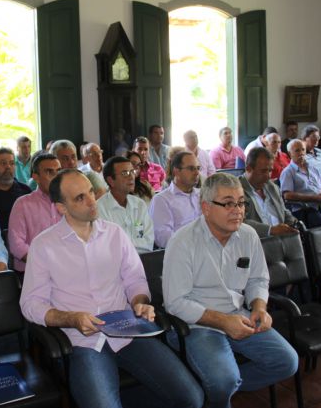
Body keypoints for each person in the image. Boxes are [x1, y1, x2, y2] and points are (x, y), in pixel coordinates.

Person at [20, 169, 204, 408]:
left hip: (127, 330)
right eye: (80, 198)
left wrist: (139, 302)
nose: (92, 201)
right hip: (83, 340)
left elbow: (135, 280)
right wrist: (70, 318)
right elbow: (31, 304)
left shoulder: (114, 233)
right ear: (61, 208)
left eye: (91, 192)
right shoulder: (44, 245)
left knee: (192, 398)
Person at [163, 173, 298, 408]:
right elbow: (176, 303)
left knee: (287, 362)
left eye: (241, 203)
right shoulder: (182, 242)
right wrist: (224, 322)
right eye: (228, 204)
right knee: (224, 380)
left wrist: (259, 307)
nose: (237, 211)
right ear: (206, 208)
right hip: (196, 324)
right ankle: (220, 387)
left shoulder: (248, 234)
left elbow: (258, 279)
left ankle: (213, 389)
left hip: (238, 315)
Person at [8, 153, 62, 273]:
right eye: (49, 172)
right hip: (32, 271)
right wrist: (46, 263)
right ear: (35, 177)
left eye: (58, 171)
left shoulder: (68, 202)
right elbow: (16, 245)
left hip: (65, 268)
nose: (56, 177)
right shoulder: (23, 204)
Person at [98, 156, 154, 252]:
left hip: (143, 259)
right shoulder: (100, 208)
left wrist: (123, 244)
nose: (131, 177)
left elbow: (149, 242)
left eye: (132, 171)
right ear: (111, 180)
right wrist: (137, 244)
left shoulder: (139, 204)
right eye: (125, 173)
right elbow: (108, 247)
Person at [240, 147, 299, 237]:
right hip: (258, 241)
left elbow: (284, 212)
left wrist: (294, 224)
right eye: (263, 171)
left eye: (270, 171)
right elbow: (240, 222)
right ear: (248, 169)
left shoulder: (272, 187)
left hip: (283, 239)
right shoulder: (236, 190)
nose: (268, 176)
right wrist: (270, 230)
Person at [149, 151, 202, 248]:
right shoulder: (162, 200)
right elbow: (163, 238)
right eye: (191, 168)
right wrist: (194, 244)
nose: (197, 173)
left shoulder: (203, 195)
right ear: (176, 171)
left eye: (198, 168)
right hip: (181, 252)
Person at [280, 139, 321, 228]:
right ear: (290, 153)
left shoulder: (313, 168)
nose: (301, 153)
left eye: (303, 150)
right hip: (304, 209)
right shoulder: (288, 172)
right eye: (297, 150)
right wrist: (314, 198)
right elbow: (287, 195)